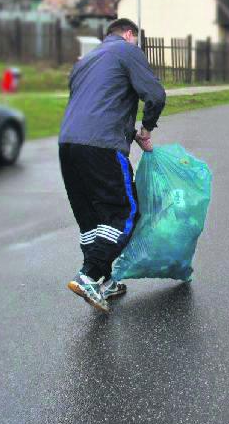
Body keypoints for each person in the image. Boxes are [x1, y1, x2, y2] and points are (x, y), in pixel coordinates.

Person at [58, 18, 166, 312]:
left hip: (68, 144)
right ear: (129, 35)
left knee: (92, 218)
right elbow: (155, 95)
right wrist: (146, 128)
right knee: (125, 212)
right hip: (102, 145)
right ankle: (90, 276)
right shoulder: (126, 51)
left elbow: (98, 106)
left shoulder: (85, 61)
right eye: (136, 39)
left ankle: (103, 280)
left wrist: (130, 133)